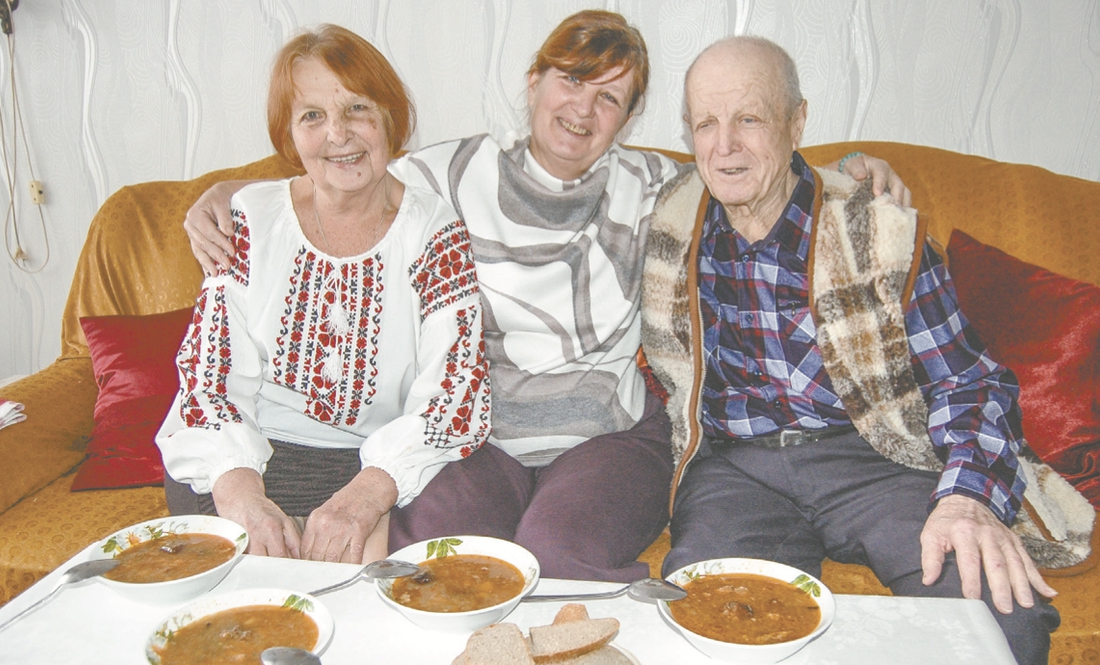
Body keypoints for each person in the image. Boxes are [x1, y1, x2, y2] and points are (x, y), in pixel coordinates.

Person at [182, 11, 906, 582]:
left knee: (559, 552)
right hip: (482, 436)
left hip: (608, 435)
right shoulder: (452, 173)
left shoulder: (658, 186)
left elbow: (754, 174)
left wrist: (851, 168)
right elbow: (342, 170)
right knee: (424, 561)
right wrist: (223, 196)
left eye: (609, 97)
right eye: (569, 81)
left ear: (629, 117)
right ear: (534, 82)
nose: (582, 110)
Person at [640, 36, 1065, 664]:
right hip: (735, 468)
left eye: (749, 118)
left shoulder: (876, 228)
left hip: (874, 458)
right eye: (706, 122)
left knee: (1004, 624)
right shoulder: (668, 216)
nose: (724, 144)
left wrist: (968, 499)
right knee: (707, 631)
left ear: (797, 121)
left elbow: (968, 383)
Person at [156, 24, 490, 567]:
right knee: (251, 583)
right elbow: (207, 380)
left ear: (390, 119)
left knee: (373, 587)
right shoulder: (246, 219)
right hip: (249, 454)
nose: (339, 135)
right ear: (289, 136)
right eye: (312, 115)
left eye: (358, 109)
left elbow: (451, 398)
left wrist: (365, 500)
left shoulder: (434, 231)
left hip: (376, 465)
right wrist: (246, 503)